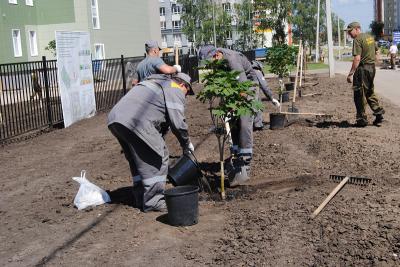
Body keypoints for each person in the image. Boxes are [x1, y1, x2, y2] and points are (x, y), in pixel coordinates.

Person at [108, 73, 194, 212]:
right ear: (183, 85)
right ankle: (154, 202)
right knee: (159, 156)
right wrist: (186, 144)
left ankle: (140, 196)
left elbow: (157, 119)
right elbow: (178, 124)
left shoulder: (156, 82)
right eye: (187, 93)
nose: (186, 96)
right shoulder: (174, 88)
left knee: (138, 159)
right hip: (136, 121)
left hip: (116, 119)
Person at [199, 46, 258, 186]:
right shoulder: (218, 62)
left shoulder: (232, 60)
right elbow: (222, 85)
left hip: (248, 87)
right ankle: (236, 157)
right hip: (233, 89)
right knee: (232, 123)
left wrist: (235, 104)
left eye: (212, 59)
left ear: (217, 54)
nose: (212, 63)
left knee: (244, 123)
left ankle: (246, 161)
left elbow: (243, 87)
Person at [345, 21, 385, 127]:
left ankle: (361, 119)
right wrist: (374, 62)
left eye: (350, 31)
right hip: (371, 68)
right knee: (370, 91)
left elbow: (357, 58)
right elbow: (377, 51)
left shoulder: (358, 39)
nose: (349, 34)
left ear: (357, 29)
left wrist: (350, 74)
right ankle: (378, 114)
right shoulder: (370, 37)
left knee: (359, 93)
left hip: (362, 69)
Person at [251, 60, 280, 130]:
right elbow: (264, 86)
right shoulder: (256, 71)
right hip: (252, 94)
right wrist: (271, 98)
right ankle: (257, 126)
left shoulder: (247, 70)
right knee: (257, 106)